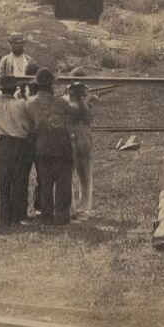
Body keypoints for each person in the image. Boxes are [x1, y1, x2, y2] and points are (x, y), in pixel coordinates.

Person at [27, 68, 89, 226]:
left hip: (42, 146)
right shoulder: (60, 102)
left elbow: (30, 124)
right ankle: (62, 216)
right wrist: (79, 96)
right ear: (51, 85)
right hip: (61, 146)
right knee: (63, 182)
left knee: (45, 183)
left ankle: (46, 216)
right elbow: (79, 113)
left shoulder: (30, 103)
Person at [0, 75, 33, 225]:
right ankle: (18, 215)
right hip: (19, 142)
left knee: (5, 179)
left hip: (3, 143)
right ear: (15, 89)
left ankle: (5, 216)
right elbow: (29, 122)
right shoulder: (21, 104)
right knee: (19, 179)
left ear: (1, 89)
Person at [65, 69, 97, 219]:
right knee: (68, 173)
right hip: (70, 137)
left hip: (83, 137)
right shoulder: (65, 99)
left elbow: (89, 117)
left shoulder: (90, 99)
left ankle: (84, 208)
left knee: (85, 174)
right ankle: (70, 206)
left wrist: (83, 100)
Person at [20, 62, 41, 217]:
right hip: (28, 138)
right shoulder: (20, 96)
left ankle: (38, 206)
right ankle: (25, 208)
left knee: (40, 174)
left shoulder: (37, 98)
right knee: (24, 174)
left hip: (33, 138)